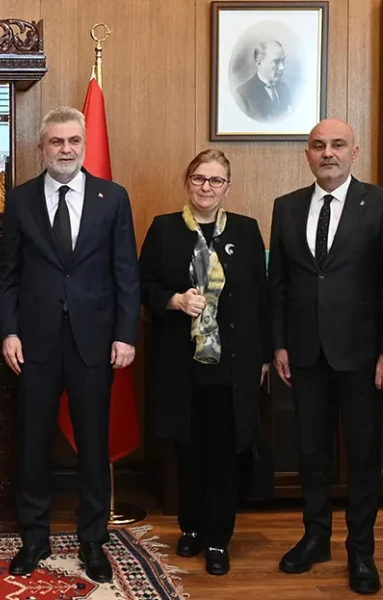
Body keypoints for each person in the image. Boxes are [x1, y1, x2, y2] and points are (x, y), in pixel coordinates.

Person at [0, 106, 139, 583]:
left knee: (93, 446)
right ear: (41, 148)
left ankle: (92, 540)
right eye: (55, 142)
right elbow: (10, 276)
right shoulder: (19, 201)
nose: (65, 149)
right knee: (33, 443)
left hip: (95, 342)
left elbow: (126, 272)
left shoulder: (112, 198)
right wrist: (9, 331)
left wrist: (125, 334)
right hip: (34, 343)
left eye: (73, 141)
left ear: (83, 144)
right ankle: (34, 536)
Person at [268, 118, 383, 595]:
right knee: (311, 451)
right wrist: (279, 343)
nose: (328, 153)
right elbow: (276, 284)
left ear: (354, 151)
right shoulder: (287, 206)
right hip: (304, 353)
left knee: (363, 456)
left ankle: (361, 549)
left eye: (337, 145)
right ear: (307, 154)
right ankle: (315, 536)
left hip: (365, 358)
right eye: (318, 146)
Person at [138, 149, 270, 576]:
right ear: (187, 181)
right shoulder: (164, 229)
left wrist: (264, 355)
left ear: (227, 187)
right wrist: (174, 300)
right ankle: (190, 528)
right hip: (182, 364)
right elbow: (142, 286)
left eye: (215, 181)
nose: (206, 187)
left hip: (233, 366)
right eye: (199, 179)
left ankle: (218, 538)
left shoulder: (247, 232)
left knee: (224, 454)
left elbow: (261, 299)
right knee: (188, 452)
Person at [235, 40, 292, 122]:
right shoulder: (243, 94)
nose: (281, 67)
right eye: (276, 62)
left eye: (283, 61)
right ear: (259, 63)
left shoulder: (284, 89)